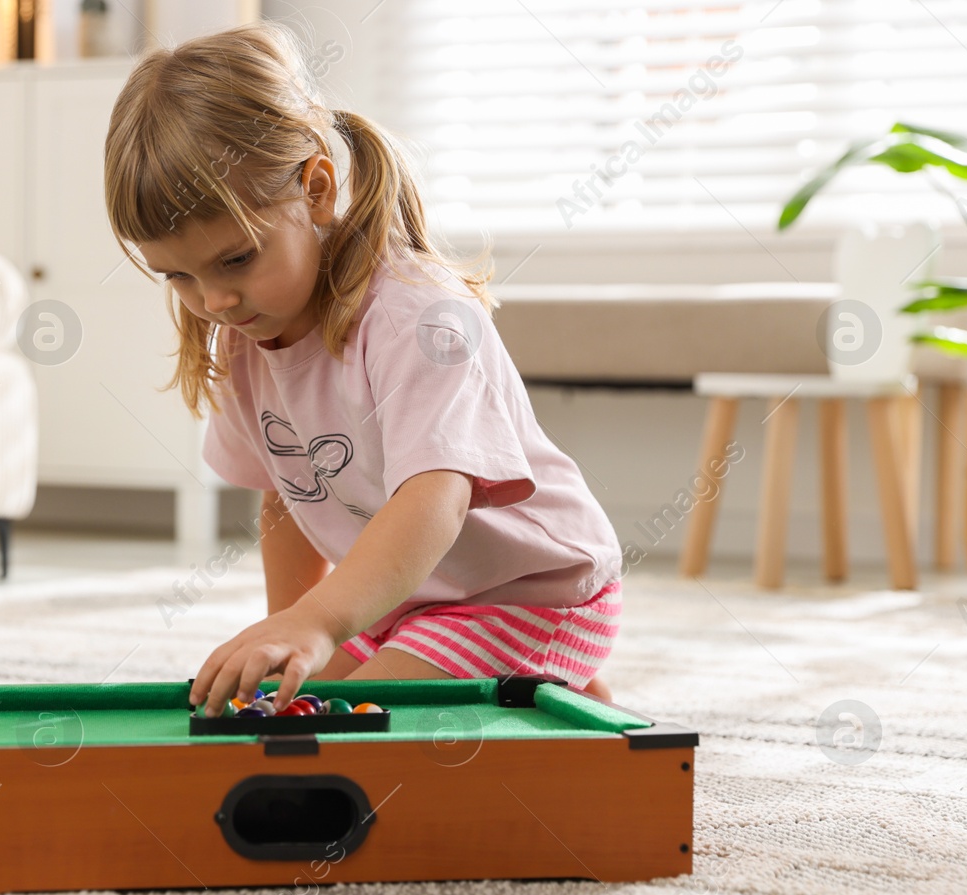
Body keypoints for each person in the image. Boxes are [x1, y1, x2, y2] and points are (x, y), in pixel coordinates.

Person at [103, 22, 622, 716]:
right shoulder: (241, 333)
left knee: (360, 732)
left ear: (316, 188)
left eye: (235, 260)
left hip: (530, 592)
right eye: (179, 276)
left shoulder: (420, 318)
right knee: (299, 715)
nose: (214, 301)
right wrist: (288, 636)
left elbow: (435, 496)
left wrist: (318, 622)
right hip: (407, 601)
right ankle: (549, 697)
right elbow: (288, 494)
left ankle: (543, 681)